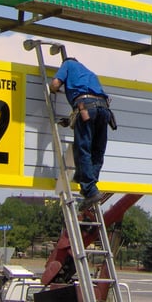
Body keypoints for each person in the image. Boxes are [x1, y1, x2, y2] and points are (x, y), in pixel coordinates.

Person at [49, 55, 110, 207]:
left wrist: (52, 89)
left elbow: (55, 84)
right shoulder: (89, 73)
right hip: (104, 109)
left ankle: (89, 189)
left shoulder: (68, 64)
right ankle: (90, 185)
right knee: (98, 149)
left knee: (83, 147)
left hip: (85, 108)